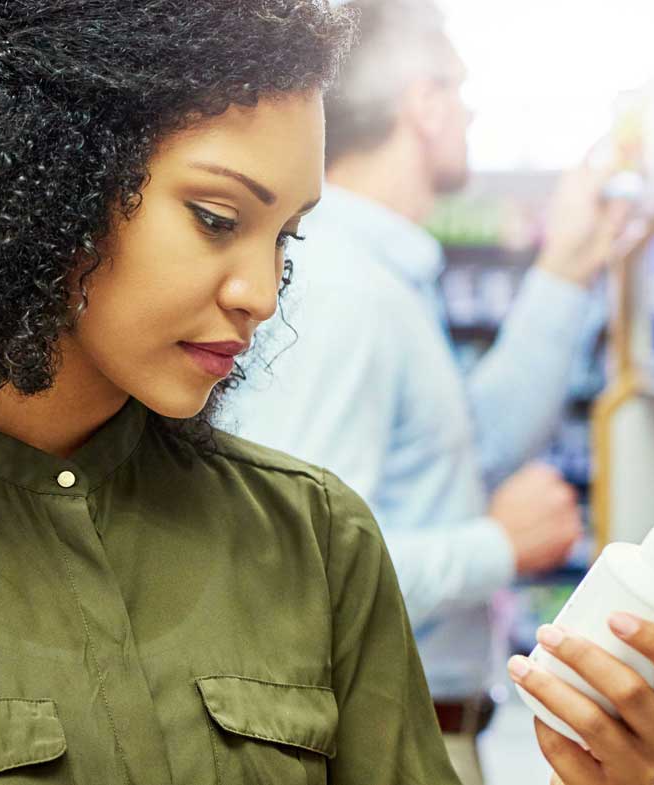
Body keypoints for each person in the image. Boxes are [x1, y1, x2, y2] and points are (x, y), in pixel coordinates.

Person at [0, 2, 654, 783]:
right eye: (215, 217)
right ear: (42, 180)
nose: (259, 291)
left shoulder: (316, 538)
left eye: (285, 236)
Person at [226, 0, 633, 780]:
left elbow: (462, 450)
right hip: (372, 742)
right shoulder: (347, 291)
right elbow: (294, 569)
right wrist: (498, 547)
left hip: (409, 727)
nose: (471, 112)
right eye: (462, 89)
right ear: (424, 102)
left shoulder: (380, 274)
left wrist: (567, 268)